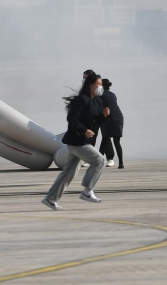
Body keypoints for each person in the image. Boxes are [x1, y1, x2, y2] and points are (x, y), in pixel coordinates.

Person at [42, 73, 110, 210]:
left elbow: (95, 120)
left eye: (101, 85)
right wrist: (84, 130)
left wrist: (104, 116)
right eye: (99, 84)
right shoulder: (81, 100)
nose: (101, 87)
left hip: (83, 140)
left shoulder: (96, 100)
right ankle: (87, 191)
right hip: (77, 141)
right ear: (91, 85)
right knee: (100, 160)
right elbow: (72, 120)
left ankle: (50, 199)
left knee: (68, 173)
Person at [98, 78, 124, 169]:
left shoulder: (100, 95)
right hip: (118, 117)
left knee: (104, 140)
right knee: (117, 142)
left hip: (109, 118)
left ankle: (98, 162)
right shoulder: (113, 94)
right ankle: (121, 163)